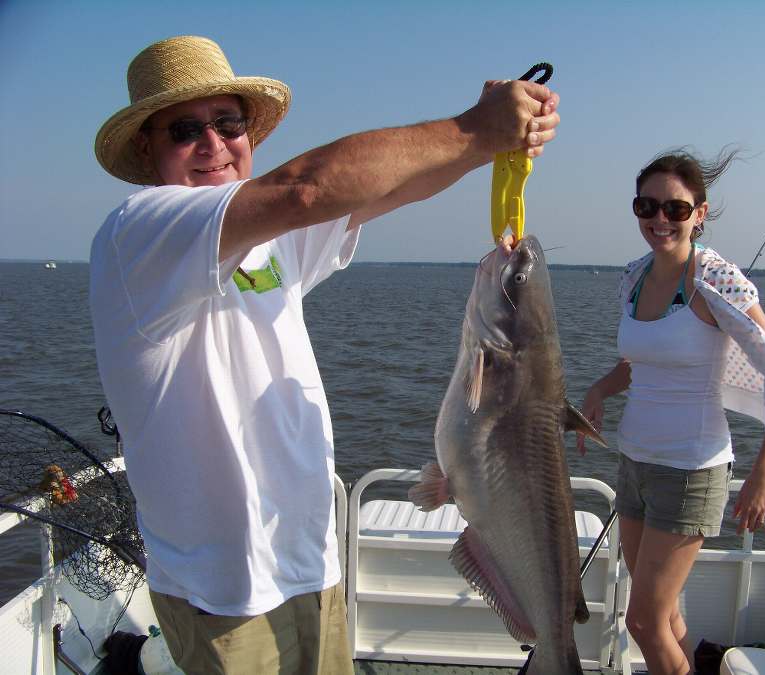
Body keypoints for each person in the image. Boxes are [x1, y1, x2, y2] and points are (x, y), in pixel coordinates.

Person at [90, 35, 560, 674]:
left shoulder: (267, 248)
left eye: (228, 123)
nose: (213, 144)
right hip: (223, 590)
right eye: (184, 130)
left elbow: (378, 193)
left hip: (311, 564)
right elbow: (307, 188)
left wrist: (488, 147)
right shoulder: (140, 231)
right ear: (146, 147)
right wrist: (474, 129)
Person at [577, 149, 765, 675]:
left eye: (675, 209)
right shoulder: (632, 278)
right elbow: (638, 361)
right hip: (634, 465)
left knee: (642, 624)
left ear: (700, 213)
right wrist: (598, 390)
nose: (659, 219)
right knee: (666, 614)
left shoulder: (714, 281)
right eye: (647, 206)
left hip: (692, 469)